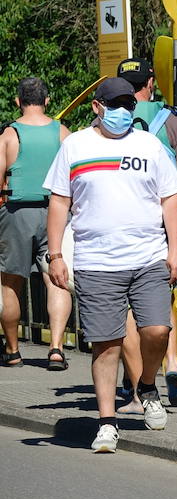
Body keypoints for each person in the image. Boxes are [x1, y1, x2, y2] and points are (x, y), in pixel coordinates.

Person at [43, 78, 177, 452]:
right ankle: (107, 423)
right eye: (114, 104)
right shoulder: (75, 145)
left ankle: (148, 385)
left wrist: (176, 249)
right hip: (96, 261)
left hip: (148, 256)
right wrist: (56, 254)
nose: (122, 111)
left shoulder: (148, 144)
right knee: (107, 345)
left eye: (128, 104)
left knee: (157, 330)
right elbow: (59, 202)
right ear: (96, 107)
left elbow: (171, 199)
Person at [115, 58, 177, 409]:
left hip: (124, 222)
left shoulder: (106, 121)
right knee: (160, 298)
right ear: (151, 81)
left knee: (129, 309)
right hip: (165, 220)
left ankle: (137, 387)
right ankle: (172, 363)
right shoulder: (172, 119)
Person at [0, 78, 71, 370]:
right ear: (48, 100)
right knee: (56, 279)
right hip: (56, 213)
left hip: (16, 212)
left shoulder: (9, 134)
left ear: (18, 101)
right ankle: (56, 347)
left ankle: (14, 350)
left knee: (10, 282)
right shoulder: (63, 133)